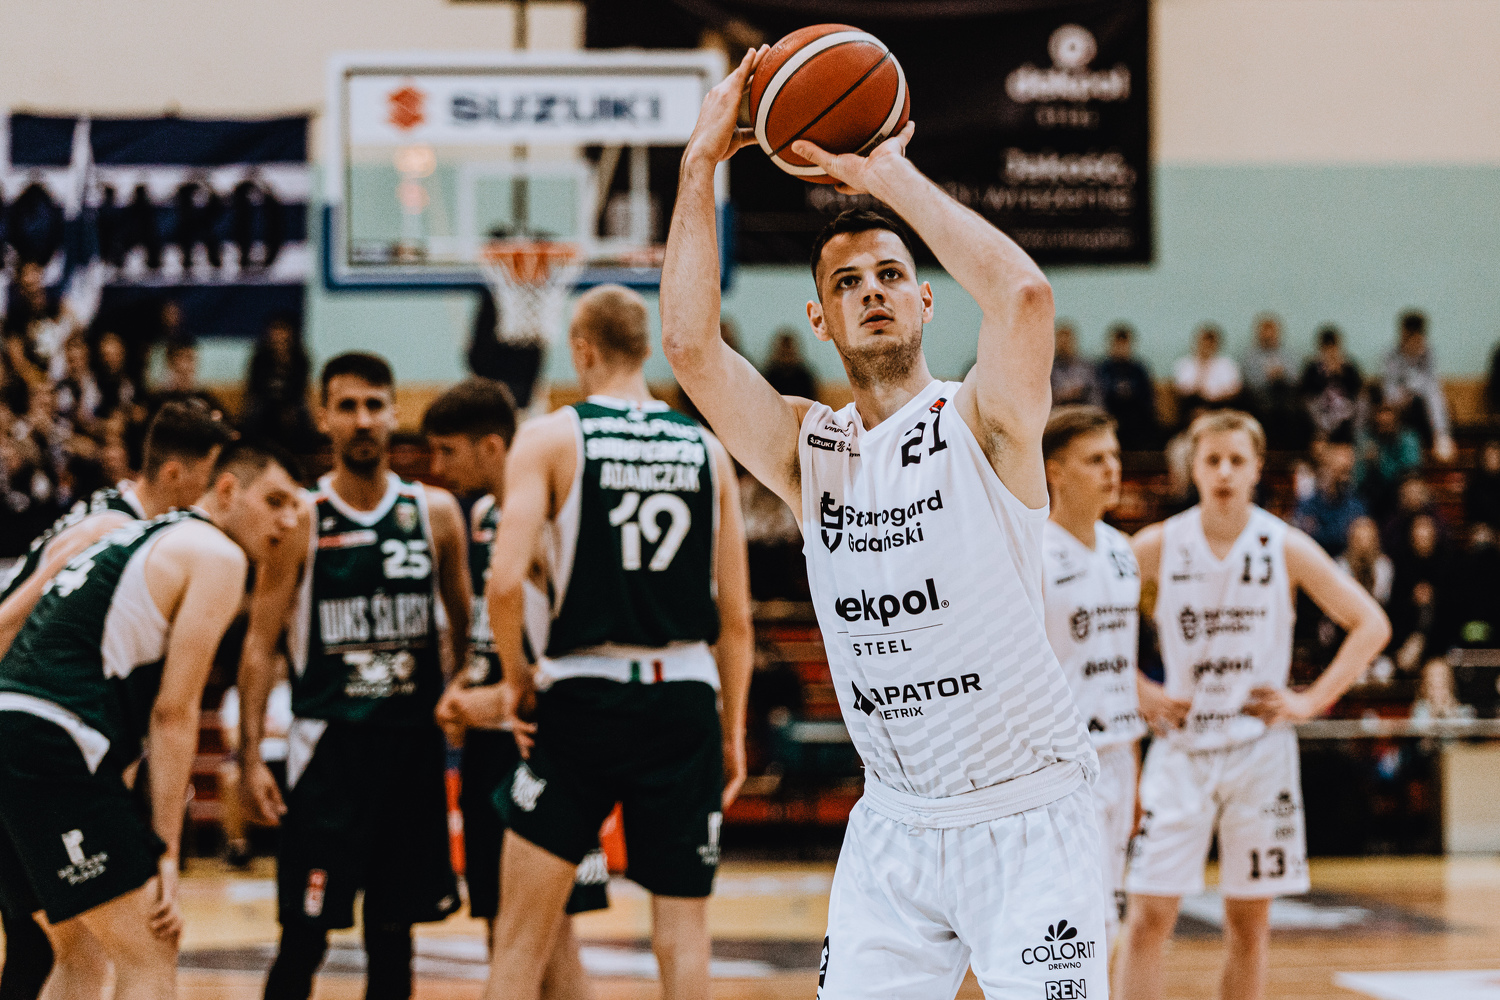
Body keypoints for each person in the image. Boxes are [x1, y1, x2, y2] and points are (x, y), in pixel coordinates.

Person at [660, 47, 1107, 998]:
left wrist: (885, 174)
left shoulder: (984, 421)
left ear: (925, 299)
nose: (871, 289)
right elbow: (692, 349)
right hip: (896, 823)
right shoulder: (807, 449)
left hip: (1028, 812)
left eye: (891, 274)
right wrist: (699, 161)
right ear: (820, 318)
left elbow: (1025, 295)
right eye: (848, 281)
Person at [470, 284, 752, 1000]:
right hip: (684, 696)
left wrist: (516, 680)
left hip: (583, 697)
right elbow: (737, 619)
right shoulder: (706, 448)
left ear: (582, 351)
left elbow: (504, 583)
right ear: (647, 349)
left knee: (521, 939)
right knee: (682, 937)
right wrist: (732, 730)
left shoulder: (550, 437)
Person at [0, 442, 301, 1000]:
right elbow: (173, 712)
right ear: (228, 490)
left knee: (79, 952)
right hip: (49, 740)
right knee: (152, 949)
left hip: (20, 734)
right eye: (275, 501)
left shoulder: (142, 536)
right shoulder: (217, 554)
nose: (288, 521)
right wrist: (165, 852)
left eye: (295, 507)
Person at [1116, 411, 1390, 1000]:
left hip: (1259, 753)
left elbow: (1372, 624)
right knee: (1147, 919)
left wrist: (1310, 701)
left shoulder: (1283, 545)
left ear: (1257, 469)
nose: (1224, 471)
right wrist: (1140, 690)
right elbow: (1085, 616)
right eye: (1212, 460)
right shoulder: (1159, 543)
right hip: (1181, 750)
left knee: (1249, 926)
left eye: (1236, 460)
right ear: (1193, 468)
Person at [237, 352, 470, 1000]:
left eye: (374, 405)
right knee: (303, 938)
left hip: (411, 749)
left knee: (394, 939)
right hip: (329, 754)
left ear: (395, 414)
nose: (363, 420)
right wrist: (250, 758)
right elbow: (258, 646)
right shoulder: (301, 519)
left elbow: (466, 626)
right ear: (324, 418)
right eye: (348, 406)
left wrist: (463, 695)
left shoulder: (436, 514)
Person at [419, 377, 606, 994]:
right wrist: (463, 689)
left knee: (549, 933)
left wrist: (493, 702)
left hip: (536, 742)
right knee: (502, 926)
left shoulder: (552, 516)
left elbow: (562, 656)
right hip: (487, 744)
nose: (437, 467)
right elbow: (485, 633)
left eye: (447, 451)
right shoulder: (480, 517)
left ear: (493, 448)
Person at [1041, 407, 1176, 950]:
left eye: (1114, 457)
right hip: (1062, 762)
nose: (1112, 469)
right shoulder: (1032, 552)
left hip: (1119, 753)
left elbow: (1117, 664)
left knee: (1108, 920)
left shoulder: (1122, 550)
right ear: (1055, 471)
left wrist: (1135, 764)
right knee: (1076, 923)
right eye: (1095, 459)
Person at [0, 399, 234, 644]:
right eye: (210, 480)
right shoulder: (110, 527)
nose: (216, 492)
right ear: (173, 474)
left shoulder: (120, 500)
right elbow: (10, 620)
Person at [1383, 311, 1455, 461]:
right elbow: (1388, 391)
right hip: (1400, 407)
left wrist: (1413, 390)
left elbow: (1432, 386)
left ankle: (1441, 436)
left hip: (1422, 408)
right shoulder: (1391, 355)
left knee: (1434, 397)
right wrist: (1404, 395)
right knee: (1393, 407)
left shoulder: (1428, 354)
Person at [240, 315, 316, 454]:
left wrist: (284, 362)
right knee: (255, 412)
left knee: (301, 413)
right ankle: (250, 451)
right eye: (276, 331)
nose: (279, 336)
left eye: (283, 332)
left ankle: (304, 455)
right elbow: (255, 387)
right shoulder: (260, 358)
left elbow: (299, 388)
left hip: (291, 401)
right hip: (265, 400)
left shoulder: (300, 358)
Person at [1292, 429, 1366, 557]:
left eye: (1349, 459)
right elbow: (1303, 539)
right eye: (1342, 458)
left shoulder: (1357, 505)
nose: (1347, 463)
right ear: (1327, 460)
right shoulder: (1308, 502)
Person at [1355, 391, 1423, 521]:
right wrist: (1369, 466)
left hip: (1400, 496)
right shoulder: (1365, 439)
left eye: (1388, 411)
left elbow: (1411, 473)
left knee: (1411, 491)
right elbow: (1358, 479)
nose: (1384, 417)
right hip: (1372, 497)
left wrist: (1379, 464)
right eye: (1380, 411)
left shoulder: (1409, 438)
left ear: (1397, 416)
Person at [1240, 314, 1303, 450]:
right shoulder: (1250, 355)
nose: (1268, 336)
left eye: (1271, 332)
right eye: (1265, 332)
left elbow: (1296, 378)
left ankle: (1290, 451)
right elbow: (1249, 380)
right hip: (1260, 397)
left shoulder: (1288, 353)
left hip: (1285, 396)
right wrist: (1266, 377)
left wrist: (1281, 374)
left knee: (1292, 411)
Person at [1098, 323, 1159, 450]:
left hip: (1135, 416)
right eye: (1118, 344)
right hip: (1111, 413)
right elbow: (1099, 395)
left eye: (1124, 344)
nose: (1121, 348)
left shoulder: (1139, 369)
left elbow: (1147, 397)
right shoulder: (1103, 368)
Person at [1299, 326, 1363, 439]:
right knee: (1309, 406)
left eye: (1333, 347)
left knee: (1361, 404)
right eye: (1326, 347)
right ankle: (1320, 436)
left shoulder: (1349, 365)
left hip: (1344, 404)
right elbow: (1307, 390)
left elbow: (1356, 388)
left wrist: (1341, 373)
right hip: (1321, 405)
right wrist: (1324, 375)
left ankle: (1354, 437)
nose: (1330, 351)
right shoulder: (1312, 367)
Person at [1173, 325, 1242, 418]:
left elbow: (1234, 389)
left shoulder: (1227, 364)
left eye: (1210, 343)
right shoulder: (1185, 363)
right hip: (1195, 403)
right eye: (1204, 342)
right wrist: (1202, 368)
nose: (1207, 346)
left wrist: (1216, 397)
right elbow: (1183, 390)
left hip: (1221, 404)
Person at [1051, 321, 1101, 407]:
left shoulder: (1087, 367)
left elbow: (1096, 396)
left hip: (1083, 410)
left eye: (1067, 342)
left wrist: (1081, 392)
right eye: (1061, 342)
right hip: (1058, 411)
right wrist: (1061, 395)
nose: (1064, 346)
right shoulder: (1050, 370)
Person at [762, 327, 819, 400]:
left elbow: (811, 402)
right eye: (783, 353)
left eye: (789, 353)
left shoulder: (805, 376)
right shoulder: (769, 375)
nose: (787, 357)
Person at [1465, 439, 1500, 531]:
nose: (1493, 459)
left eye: (1496, 456)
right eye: (1490, 456)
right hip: (1484, 528)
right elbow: (1473, 514)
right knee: (1481, 536)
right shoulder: (1475, 483)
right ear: (1483, 458)